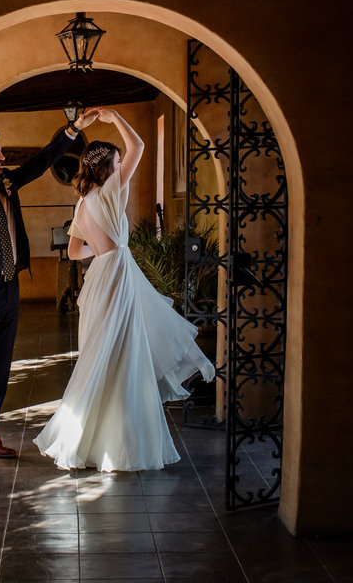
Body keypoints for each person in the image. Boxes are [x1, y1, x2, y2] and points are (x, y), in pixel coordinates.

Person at [34, 106, 215, 471]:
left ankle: (87, 438)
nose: (122, 167)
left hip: (99, 276)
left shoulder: (83, 202)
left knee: (101, 353)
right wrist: (114, 116)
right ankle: (121, 444)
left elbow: (73, 252)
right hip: (116, 274)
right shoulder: (111, 191)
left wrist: (101, 249)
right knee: (124, 353)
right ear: (109, 168)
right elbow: (139, 146)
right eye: (117, 162)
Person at [0, 110, 99, 473]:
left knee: (0, 365)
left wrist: (73, 130)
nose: (3, 158)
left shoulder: (7, 183)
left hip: (10, 290)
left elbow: (43, 160)